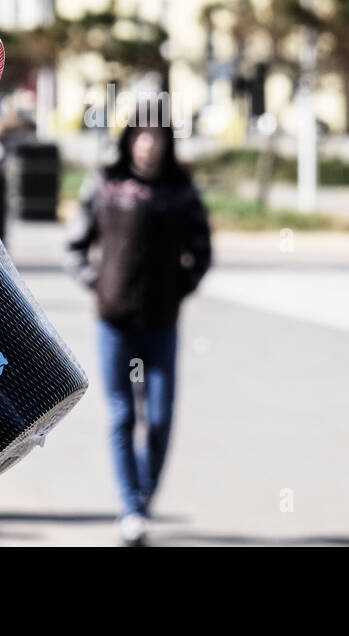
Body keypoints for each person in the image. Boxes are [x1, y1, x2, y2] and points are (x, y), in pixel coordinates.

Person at [64, 115, 212, 546]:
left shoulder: (180, 191)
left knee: (160, 418)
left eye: (157, 136)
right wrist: (100, 283)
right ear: (129, 140)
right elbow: (75, 245)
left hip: (162, 324)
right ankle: (132, 507)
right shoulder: (105, 185)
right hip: (115, 324)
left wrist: (180, 287)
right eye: (141, 136)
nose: (148, 144)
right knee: (123, 414)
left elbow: (201, 248)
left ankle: (145, 493)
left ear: (167, 142)